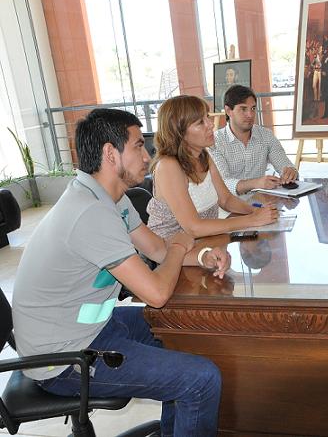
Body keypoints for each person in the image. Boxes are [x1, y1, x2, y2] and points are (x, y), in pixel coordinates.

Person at [11, 108, 230, 436]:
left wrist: (200, 255)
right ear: (110, 153)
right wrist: (178, 248)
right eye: (139, 146)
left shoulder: (109, 199)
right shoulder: (90, 213)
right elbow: (156, 293)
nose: (147, 155)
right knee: (200, 379)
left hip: (92, 328)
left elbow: (156, 249)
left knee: (185, 333)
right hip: (64, 359)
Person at [147, 95, 278, 239]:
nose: (210, 124)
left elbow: (226, 200)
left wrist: (256, 211)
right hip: (171, 251)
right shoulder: (168, 166)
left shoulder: (204, 155)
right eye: (200, 122)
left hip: (205, 242)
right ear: (179, 131)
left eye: (207, 117)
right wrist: (251, 220)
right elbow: (193, 228)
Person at [210, 85, 298, 195]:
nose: (250, 115)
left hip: (261, 202)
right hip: (230, 207)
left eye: (253, 108)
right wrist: (255, 183)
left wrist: (290, 172)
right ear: (228, 111)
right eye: (243, 109)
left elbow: (284, 164)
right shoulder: (215, 141)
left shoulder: (266, 135)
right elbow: (223, 183)